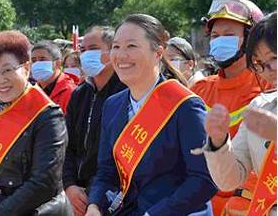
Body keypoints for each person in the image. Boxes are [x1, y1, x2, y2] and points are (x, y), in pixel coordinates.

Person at [86, 14, 217, 216]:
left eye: (131, 46)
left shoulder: (185, 105)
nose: (121, 56)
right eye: (116, 47)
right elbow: (106, 171)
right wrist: (94, 205)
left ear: (157, 53)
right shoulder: (113, 105)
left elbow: (204, 179)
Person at [0, 30, 72, 215]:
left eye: (7, 70)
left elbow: (43, 183)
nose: (0, 80)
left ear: (26, 68)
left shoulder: (47, 116)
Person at [191, 0, 272, 215]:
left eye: (228, 35)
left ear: (250, 39)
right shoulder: (199, 89)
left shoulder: (267, 87)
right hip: (199, 201)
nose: (219, 41)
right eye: (215, 35)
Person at [63, 26, 126, 216]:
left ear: (112, 51)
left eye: (93, 48)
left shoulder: (126, 92)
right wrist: (70, 185)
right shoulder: (79, 94)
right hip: (77, 195)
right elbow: (68, 146)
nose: (86, 55)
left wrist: (97, 197)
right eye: (82, 50)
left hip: (113, 196)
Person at [31, 41, 77, 114]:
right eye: (33, 60)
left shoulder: (70, 92)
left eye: (42, 59)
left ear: (58, 63)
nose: (37, 63)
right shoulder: (32, 92)